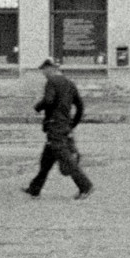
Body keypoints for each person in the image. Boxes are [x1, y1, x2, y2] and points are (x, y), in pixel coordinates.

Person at [23, 58, 93, 199]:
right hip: (64, 126)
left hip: (55, 126)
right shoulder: (70, 83)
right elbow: (80, 107)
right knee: (46, 161)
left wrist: (37, 107)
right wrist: (73, 123)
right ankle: (34, 189)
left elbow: (49, 100)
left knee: (66, 158)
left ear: (50, 68)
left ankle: (85, 186)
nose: (43, 73)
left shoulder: (52, 82)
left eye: (44, 70)